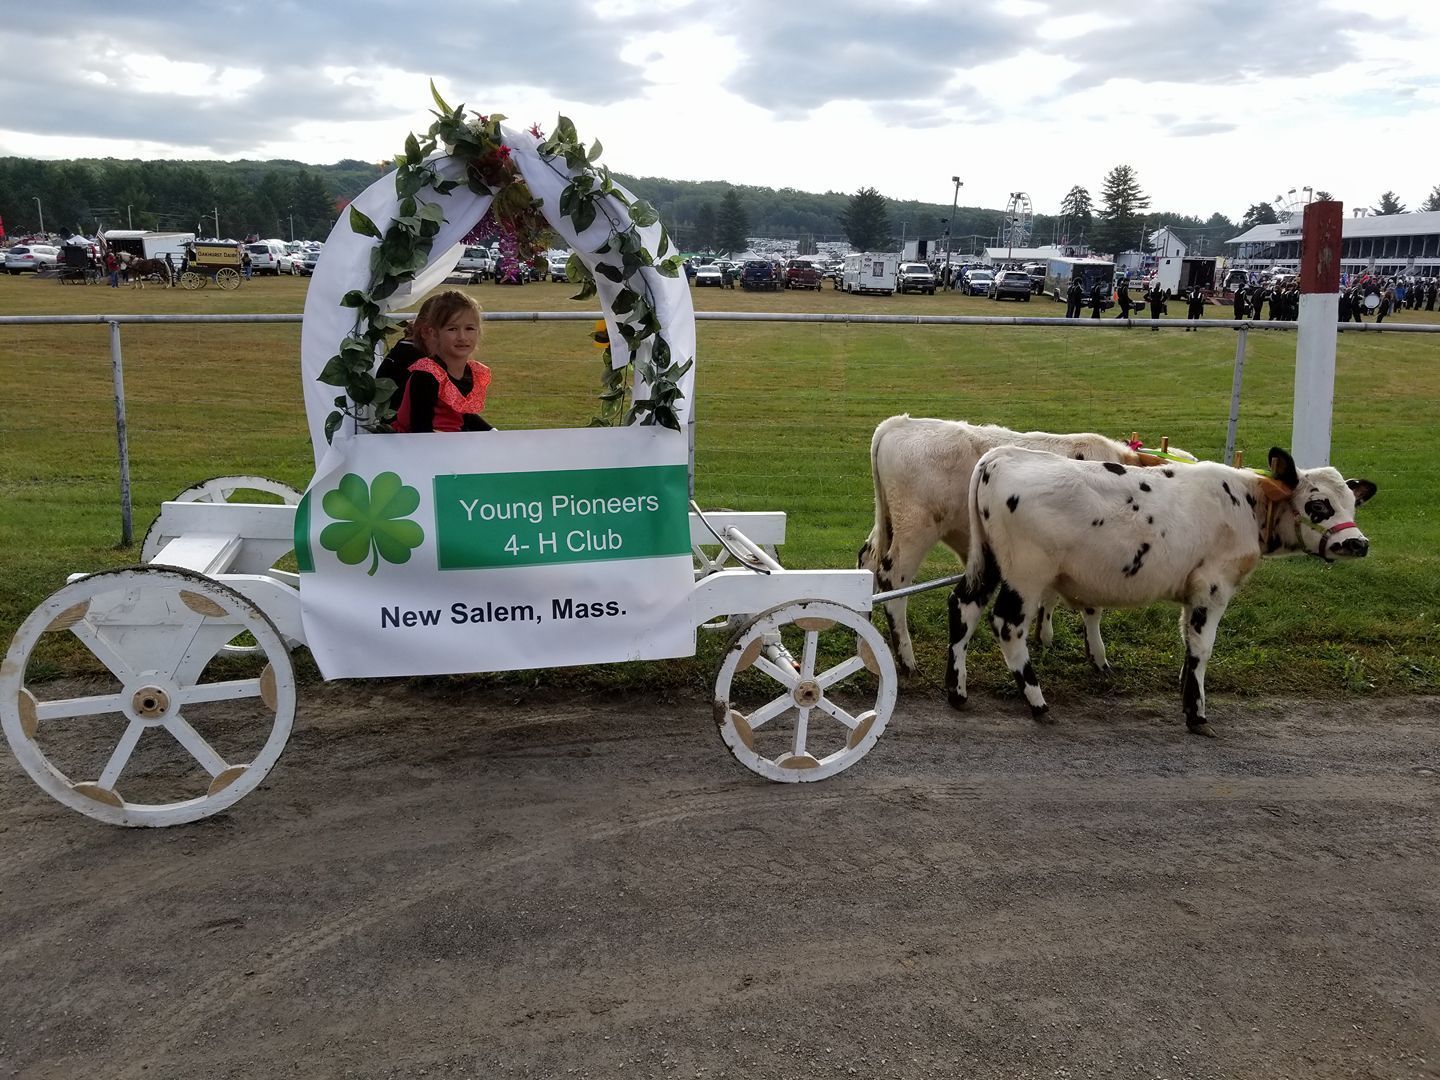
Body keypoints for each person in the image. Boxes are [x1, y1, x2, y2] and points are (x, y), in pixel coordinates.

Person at [391, 290, 494, 433]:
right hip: (421, 448)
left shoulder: (471, 372)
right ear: (434, 333)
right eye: (452, 329)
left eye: (469, 328)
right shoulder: (426, 376)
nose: (462, 337)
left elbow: (464, 415)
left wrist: (494, 433)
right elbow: (420, 430)